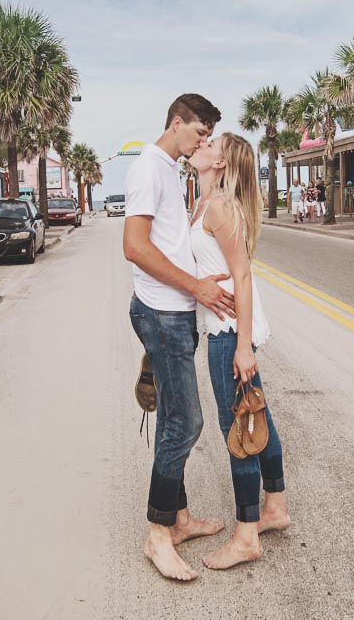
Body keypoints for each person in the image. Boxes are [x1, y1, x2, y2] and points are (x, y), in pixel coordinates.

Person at [123, 93, 236, 582]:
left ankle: (180, 519)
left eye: (208, 137)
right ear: (176, 122)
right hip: (163, 314)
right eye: (199, 134)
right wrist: (197, 288)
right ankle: (157, 533)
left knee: (172, 419)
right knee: (186, 424)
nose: (203, 142)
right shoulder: (148, 168)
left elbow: (174, 238)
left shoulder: (171, 168)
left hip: (176, 314)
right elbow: (134, 247)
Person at [188, 133, 290, 570]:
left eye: (213, 144)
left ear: (222, 164)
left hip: (228, 332)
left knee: (238, 430)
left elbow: (243, 277)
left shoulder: (220, 208)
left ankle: (247, 534)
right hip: (222, 328)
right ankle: (275, 508)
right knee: (255, 415)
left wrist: (243, 345)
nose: (203, 144)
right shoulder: (204, 201)